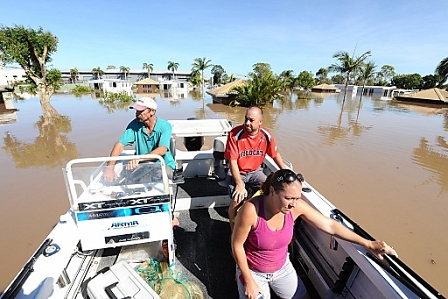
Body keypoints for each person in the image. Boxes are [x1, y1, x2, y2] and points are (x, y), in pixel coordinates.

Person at [231, 169, 398, 299]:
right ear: (273, 191)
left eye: (297, 198)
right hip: (253, 271)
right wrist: (249, 281)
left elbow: (330, 225)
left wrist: (368, 243)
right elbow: (237, 245)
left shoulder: (296, 207)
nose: (293, 204)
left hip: (282, 268)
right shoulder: (251, 210)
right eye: (289, 198)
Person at [103, 96, 178, 225]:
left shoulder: (165, 126)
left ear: (152, 112)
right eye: (136, 110)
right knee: (126, 182)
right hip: (142, 165)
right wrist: (110, 168)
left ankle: (170, 216)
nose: (137, 113)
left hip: (163, 165)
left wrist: (139, 159)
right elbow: (120, 145)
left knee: (158, 183)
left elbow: (163, 149)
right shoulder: (134, 125)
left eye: (140, 111)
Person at [224, 106, 286, 230]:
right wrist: (239, 184)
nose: (247, 123)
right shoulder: (235, 134)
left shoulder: (267, 135)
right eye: (246, 119)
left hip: (255, 171)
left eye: (251, 120)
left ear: (260, 122)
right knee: (237, 199)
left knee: (271, 191)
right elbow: (232, 162)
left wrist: (285, 171)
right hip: (238, 172)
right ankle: (233, 229)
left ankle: (262, 223)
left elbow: (275, 154)